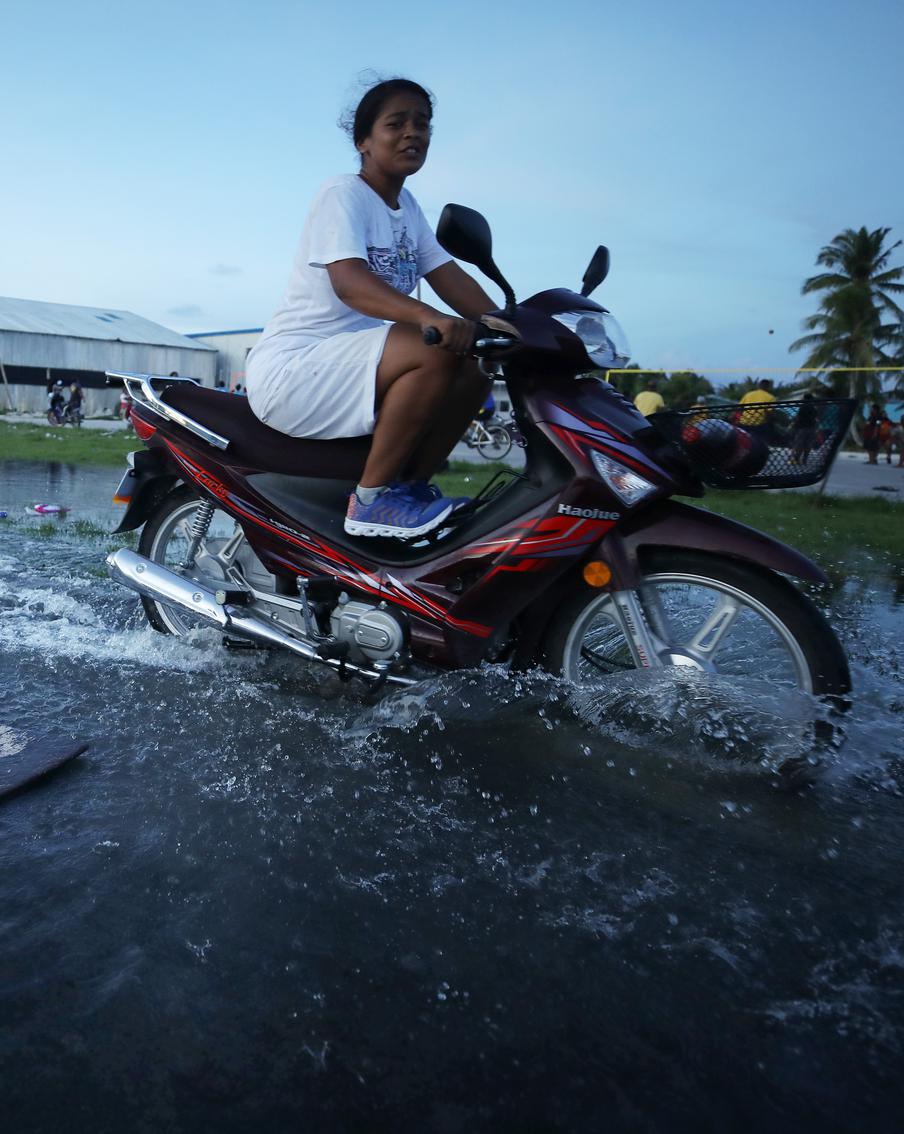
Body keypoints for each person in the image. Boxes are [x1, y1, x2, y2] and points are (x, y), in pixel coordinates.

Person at [245, 77, 495, 540]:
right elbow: (350, 283)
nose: (412, 133)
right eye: (396, 123)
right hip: (296, 368)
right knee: (436, 346)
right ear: (363, 140)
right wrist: (428, 318)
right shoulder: (343, 194)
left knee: (479, 362)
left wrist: (512, 327)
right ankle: (371, 501)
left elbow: (450, 277)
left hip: (350, 365)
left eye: (422, 124)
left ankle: (408, 489)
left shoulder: (408, 209)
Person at [790, 393, 818, 464]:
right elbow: (815, 417)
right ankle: (805, 459)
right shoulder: (813, 407)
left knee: (799, 443)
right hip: (811, 427)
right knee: (808, 444)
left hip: (802, 427)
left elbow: (799, 418)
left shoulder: (803, 406)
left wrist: (794, 426)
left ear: (805, 398)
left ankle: (797, 458)